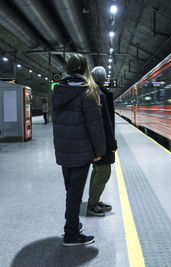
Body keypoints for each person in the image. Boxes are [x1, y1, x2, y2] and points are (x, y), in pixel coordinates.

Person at [52, 54, 106, 246]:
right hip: (82, 151)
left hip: (64, 150)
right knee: (75, 193)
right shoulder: (88, 91)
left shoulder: (58, 91)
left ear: (67, 68)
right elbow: (94, 126)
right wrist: (100, 150)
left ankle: (73, 224)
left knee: (71, 191)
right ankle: (71, 234)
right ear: (84, 69)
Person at [87, 66, 118, 216]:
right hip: (102, 141)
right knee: (104, 172)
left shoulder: (95, 93)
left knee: (97, 170)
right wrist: (112, 144)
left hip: (97, 140)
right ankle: (92, 204)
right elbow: (106, 122)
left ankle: (95, 200)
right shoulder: (101, 95)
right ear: (103, 78)